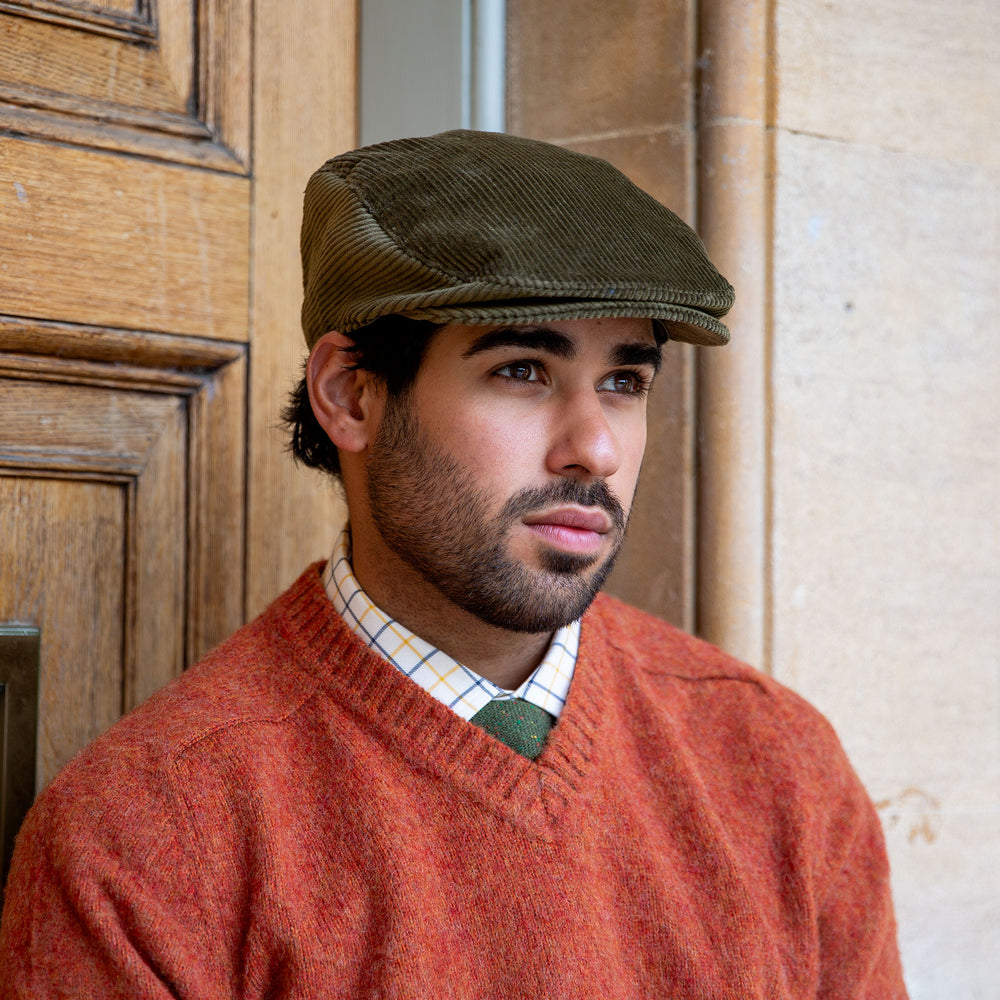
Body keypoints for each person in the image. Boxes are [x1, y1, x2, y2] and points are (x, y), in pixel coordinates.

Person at [0, 130, 907, 998]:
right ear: (350, 395)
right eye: (522, 370)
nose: (594, 445)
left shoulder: (778, 767)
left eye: (625, 382)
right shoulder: (146, 834)